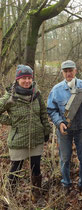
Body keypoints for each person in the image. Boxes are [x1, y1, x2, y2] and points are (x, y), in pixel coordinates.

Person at [0, 65, 51, 201]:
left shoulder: (37, 94)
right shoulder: (10, 96)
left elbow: (43, 113)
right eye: (24, 78)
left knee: (36, 169)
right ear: (17, 80)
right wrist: (11, 121)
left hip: (36, 138)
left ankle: (36, 195)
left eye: (29, 78)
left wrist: (46, 130)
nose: (27, 81)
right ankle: (9, 197)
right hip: (19, 139)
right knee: (15, 170)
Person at [47, 60, 82, 196]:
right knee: (65, 158)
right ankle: (66, 183)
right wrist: (59, 122)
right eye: (65, 71)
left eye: (71, 70)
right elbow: (51, 109)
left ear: (75, 71)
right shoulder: (56, 90)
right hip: (64, 129)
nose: (68, 73)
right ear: (62, 73)